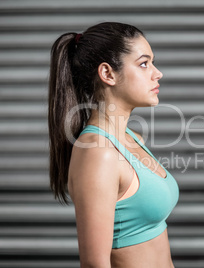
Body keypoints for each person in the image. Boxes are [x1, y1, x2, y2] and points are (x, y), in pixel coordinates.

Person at [48, 22, 179, 268]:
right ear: (108, 74)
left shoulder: (132, 139)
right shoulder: (99, 153)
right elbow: (94, 265)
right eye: (144, 64)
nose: (157, 73)